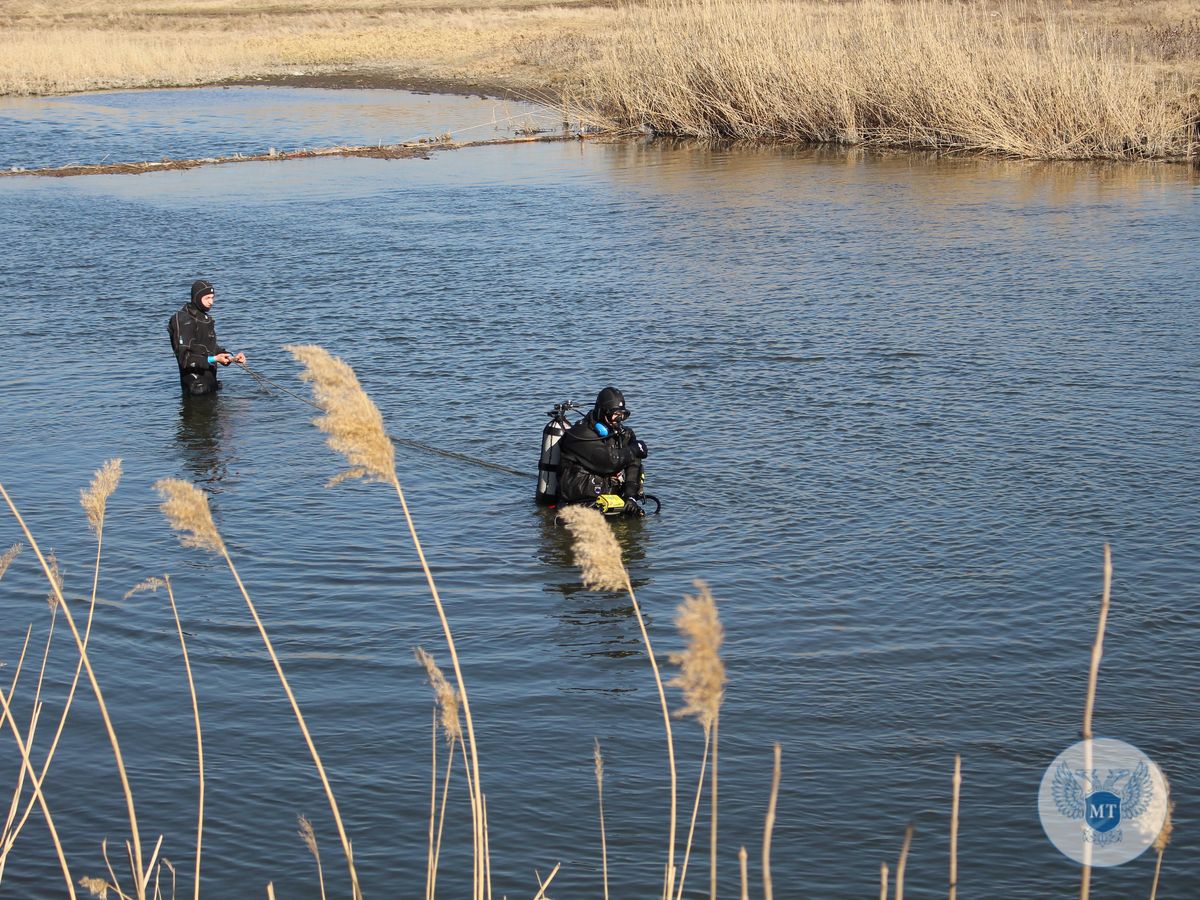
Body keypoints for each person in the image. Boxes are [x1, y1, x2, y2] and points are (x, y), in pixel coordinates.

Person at [557, 386, 649, 516]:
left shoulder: (623, 434)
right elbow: (609, 461)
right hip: (579, 504)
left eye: (623, 415)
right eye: (615, 415)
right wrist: (634, 449)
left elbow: (634, 463)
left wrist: (630, 496)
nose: (619, 420)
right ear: (602, 413)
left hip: (611, 502)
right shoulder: (580, 434)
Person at [168, 279, 245, 395]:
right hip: (195, 390)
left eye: (212, 297)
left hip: (210, 384)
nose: (211, 302)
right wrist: (214, 359)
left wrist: (231, 357)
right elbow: (184, 359)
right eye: (207, 298)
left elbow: (209, 347)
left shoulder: (204, 318)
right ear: (197, 298)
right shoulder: (183, 319)